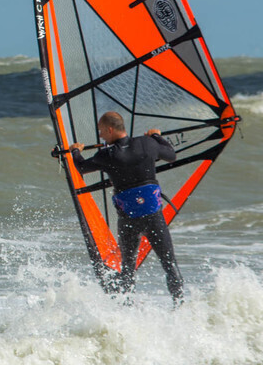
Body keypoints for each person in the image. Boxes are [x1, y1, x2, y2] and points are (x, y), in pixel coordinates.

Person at [69, 111, 184, 304]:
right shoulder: (147, 144)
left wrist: (75, 151)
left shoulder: (107, 154)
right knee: (170, 265)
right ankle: (180, 306)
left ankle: (127, 309)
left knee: (128, 268)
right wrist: (156, 136)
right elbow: (171, 155)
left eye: (101, 132)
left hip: (129, 220)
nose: (100, 136)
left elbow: (81, 167)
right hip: (154, 217)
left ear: (110, 129)